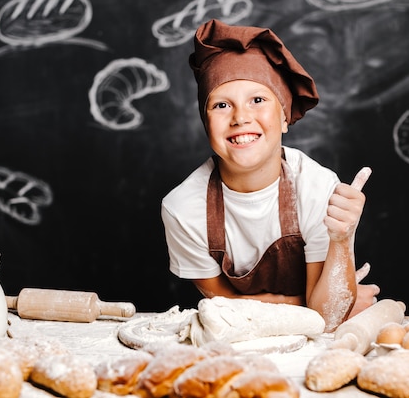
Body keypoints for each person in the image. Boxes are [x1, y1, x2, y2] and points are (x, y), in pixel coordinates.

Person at [161, 18, 380, 331]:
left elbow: (328, 319)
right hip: (235, 346)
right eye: (221, 105)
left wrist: (342, 239)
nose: (240, 117)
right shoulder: (183, 208)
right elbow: (220, 310)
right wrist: (302, 304)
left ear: (285, 118)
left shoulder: (317, 187)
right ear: (205, 123)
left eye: (258, 100)